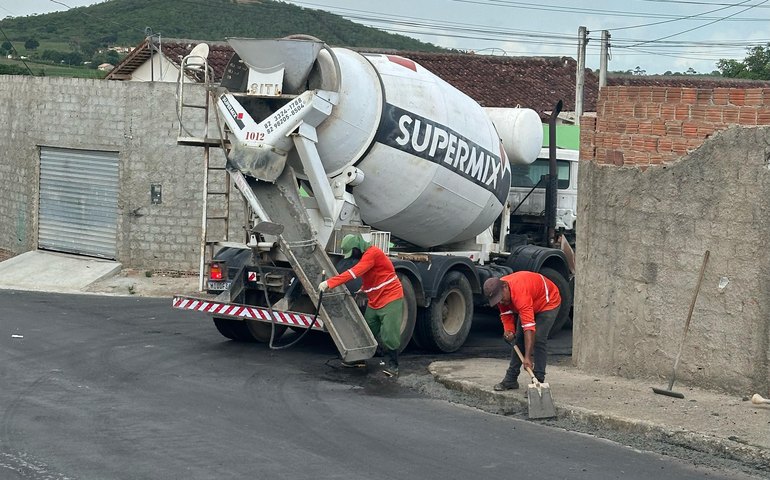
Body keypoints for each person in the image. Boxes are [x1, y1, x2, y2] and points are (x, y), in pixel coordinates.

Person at [318, 234, 404, 377]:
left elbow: (354, 273)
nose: (352, 257)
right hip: (375, 300)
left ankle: (393, 365)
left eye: (352, 253)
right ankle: (360, 359)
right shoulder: (366, 257)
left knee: (389, 333)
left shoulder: (373, 253)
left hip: (390, 298)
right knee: (367, 330)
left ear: (358, 248)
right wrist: (364, 289)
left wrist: (329, 283)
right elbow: (374, 276)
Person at [483, 271, 561, 391]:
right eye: (498, 301)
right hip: (530, 300)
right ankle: (511, 379)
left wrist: (528, 357)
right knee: (518, 338)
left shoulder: (520, 294)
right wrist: (508, 330)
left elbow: (529, 328)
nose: (501, 302)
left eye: (501, 299)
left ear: (505, 287)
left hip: (548, 302)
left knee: (539, 339)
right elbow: (506, 314)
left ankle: (538, 381)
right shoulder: (500, 294)